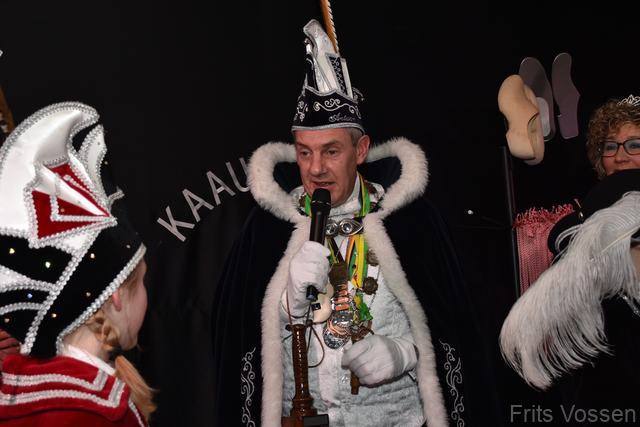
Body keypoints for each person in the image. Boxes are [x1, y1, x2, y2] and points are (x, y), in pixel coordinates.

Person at [213, 19, 491, 427]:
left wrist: (406, 353)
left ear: (360, 150)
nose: (316, 169)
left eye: (331, 151)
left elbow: (457, 329)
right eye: (304, 152)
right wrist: (287, 306)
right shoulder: (268, 228)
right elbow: (236, 338)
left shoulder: (410, 222)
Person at [0, 103, 154, 426]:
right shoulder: (101, 414)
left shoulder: (20, 396)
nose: (146, 295)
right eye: (141, 282)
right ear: (115, 295)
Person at [501, 95, 640, 424]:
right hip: (599, 385)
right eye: (610, 147)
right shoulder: (582, 218)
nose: (620, 156)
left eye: (634, 144)